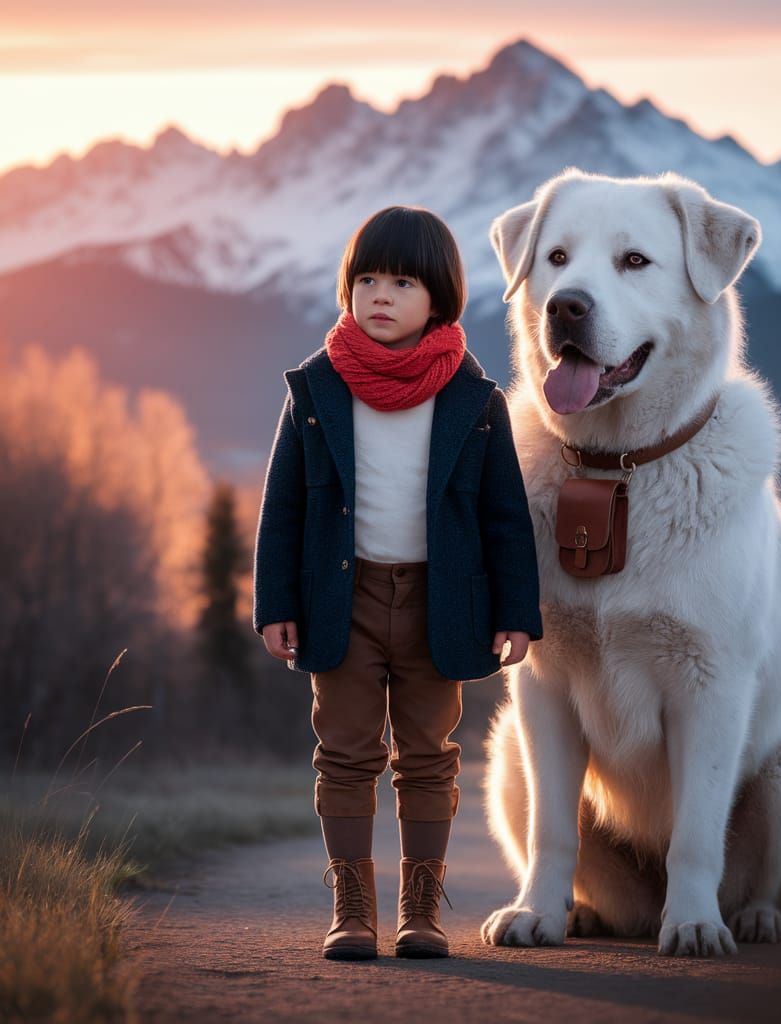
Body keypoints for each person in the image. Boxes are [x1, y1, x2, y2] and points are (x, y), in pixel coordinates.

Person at [252, 206, 542, 962]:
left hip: (438, 604)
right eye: (367, 279)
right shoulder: (316, 391)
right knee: (344, 753)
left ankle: (420, 912)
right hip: (338, 603)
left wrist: (516, 611)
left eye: (402, 282)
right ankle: (352, 910)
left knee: (428, 753)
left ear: (439, 299)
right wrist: (276, 603)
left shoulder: (475, 403)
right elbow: (282, 506)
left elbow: (504, 516)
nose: (380, 295)